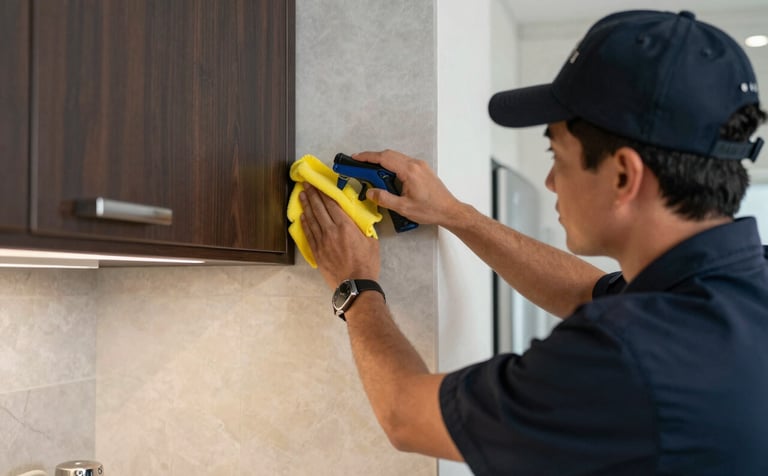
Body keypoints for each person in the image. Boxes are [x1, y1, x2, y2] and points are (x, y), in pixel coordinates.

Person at [299, 9, 768, 475]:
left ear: (624, 174)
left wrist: (355, 285)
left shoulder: (628, 356)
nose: (549, 181)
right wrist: (456, 214)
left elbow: (406, 415)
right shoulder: (733, 288)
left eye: (556, 155)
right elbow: (584, 292)